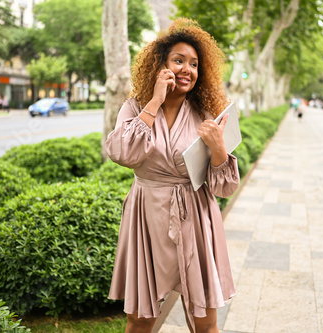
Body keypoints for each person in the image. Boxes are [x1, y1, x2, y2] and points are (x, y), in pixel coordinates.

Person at [105, 18, 240, 333]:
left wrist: (219, 148)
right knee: (140, 319)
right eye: (178, 60)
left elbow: (225, 188)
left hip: (195, 216)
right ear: (160, 66)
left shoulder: (207, 116)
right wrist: (155, 101)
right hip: (146, 216)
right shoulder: (135, 107)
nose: (187, 69)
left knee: (205, 322)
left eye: (194, 64)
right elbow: (122, 153)